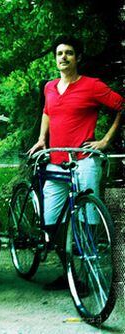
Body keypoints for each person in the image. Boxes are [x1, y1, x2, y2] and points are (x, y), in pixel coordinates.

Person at [29, 35, 124, 290]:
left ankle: (85, 272)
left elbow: (121, 105)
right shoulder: (49, 86)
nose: (63, 57)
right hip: (56, 161)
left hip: (83, 160)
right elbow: (47, 112)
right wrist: (41, 139)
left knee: (88, 217)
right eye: (59, 53)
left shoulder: (92, 86)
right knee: (51, 222)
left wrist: (105, 141)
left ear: (77, 57)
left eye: (69, 53)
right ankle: (69, 271)